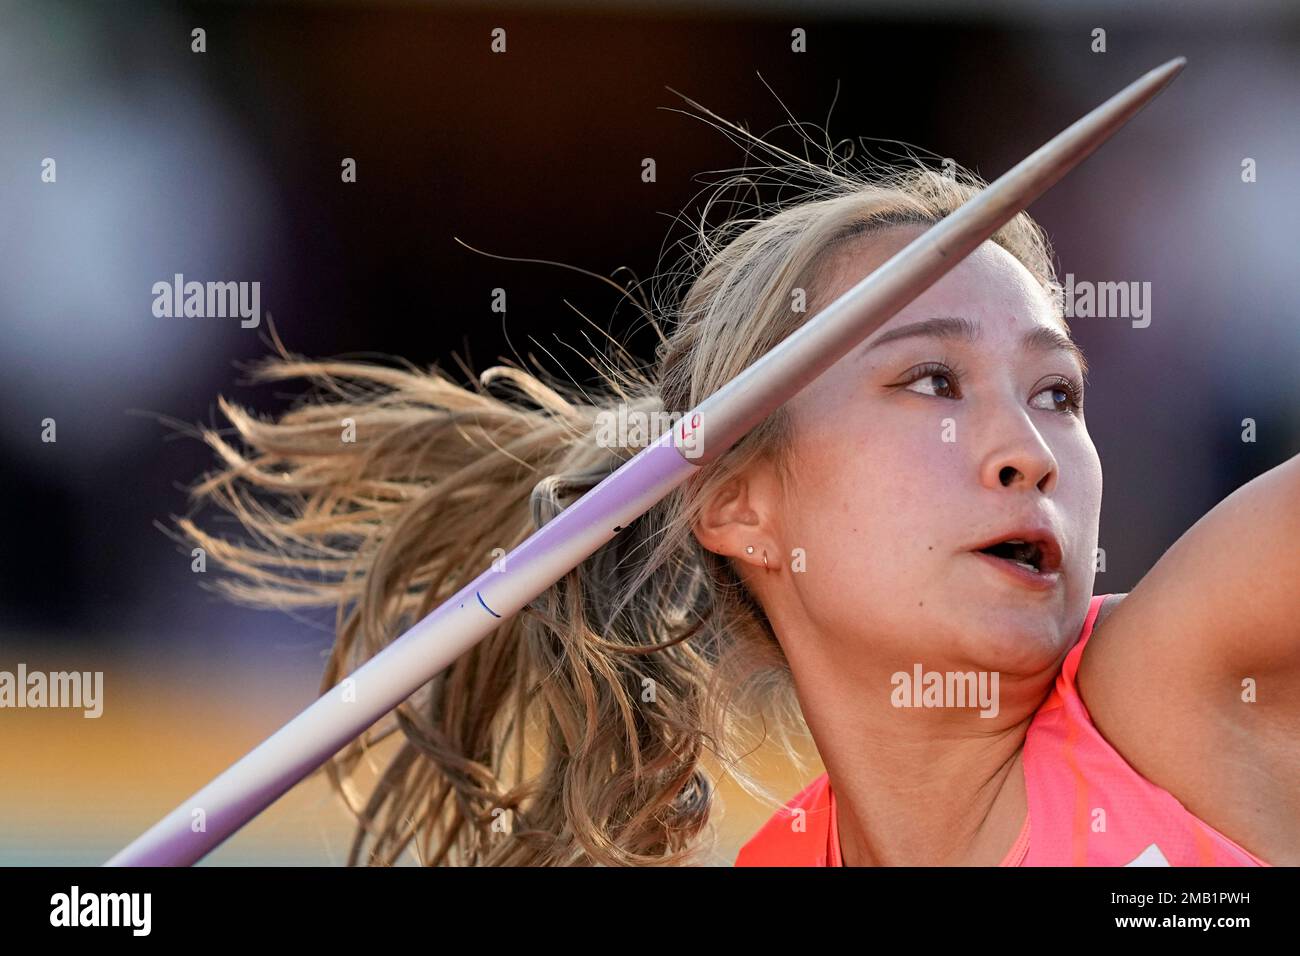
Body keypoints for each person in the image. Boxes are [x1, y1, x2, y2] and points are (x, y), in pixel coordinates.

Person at [166, 124, 1298, 866]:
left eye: (1058, 391)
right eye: (931, 379)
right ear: (741, 503)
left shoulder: (1178, 687)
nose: (1027, 449)